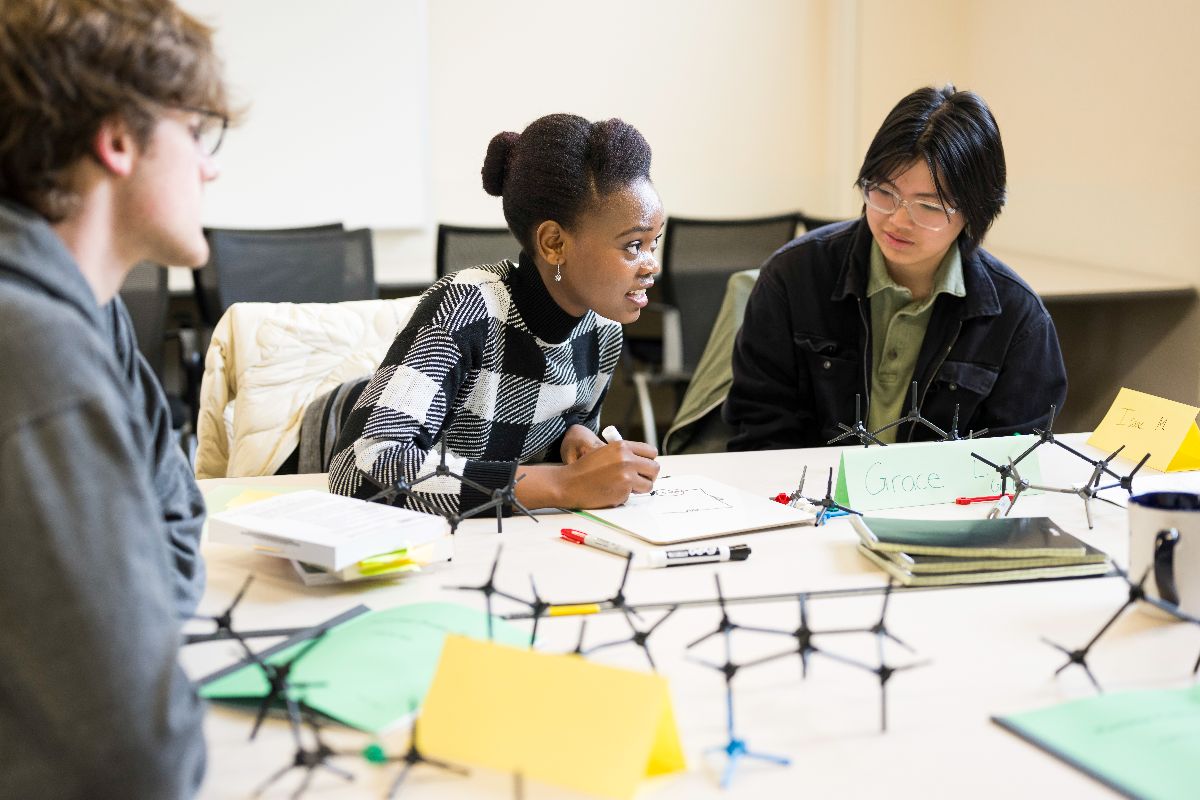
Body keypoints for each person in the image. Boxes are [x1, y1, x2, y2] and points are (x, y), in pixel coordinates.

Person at [0, 0, 233, 795]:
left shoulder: (87, 308)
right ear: (119, 139)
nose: (210, 167)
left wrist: (127, 621)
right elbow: (136, 758)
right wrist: (125, 636)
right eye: (196, 133)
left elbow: (176, 511)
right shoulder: (33, 349)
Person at [330, 114, 663, 513]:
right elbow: (356, 470)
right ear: (554, 243)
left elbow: (533, 435)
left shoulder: (604, 329)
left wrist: (570, 438)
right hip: (319, 440)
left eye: (653, 242)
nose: (651, 264)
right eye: (632, 245)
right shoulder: (467, 306)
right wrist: (560, 483)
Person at [725, 85, 1067, 451]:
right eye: (884, 193)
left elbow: (1016, 459)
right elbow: (759, 432)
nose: (898, 220)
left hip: (944, 506)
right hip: (808, 497)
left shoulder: (1017, 319)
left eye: (930, 206)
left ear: (975, 213)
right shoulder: (794, 277)